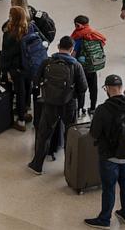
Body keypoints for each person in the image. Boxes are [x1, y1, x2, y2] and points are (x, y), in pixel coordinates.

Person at [84, 74, 125, 228]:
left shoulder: (103, 109)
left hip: (109, 157)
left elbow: (94, 133)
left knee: (109, 188)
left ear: (107, 89)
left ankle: (104, 219)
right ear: (121, 87)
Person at [27, 36, 88, 175]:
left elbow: (36, 80)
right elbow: (83, 87)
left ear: (58, 46)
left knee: (44, 134)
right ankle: (69, 168)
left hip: (49, 103)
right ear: (72, 49)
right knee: (70, 136)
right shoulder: (76, 65)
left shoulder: (47, 62)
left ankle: (37, 165)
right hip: (68, 104)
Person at [2, 5, 36, 132]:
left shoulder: (9, 33)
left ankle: (20, 120)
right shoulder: (29, 28)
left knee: (19, 93)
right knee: (28, 89)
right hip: (29, 65)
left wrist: (5, 71)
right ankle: (26, 112)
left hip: (16, 68)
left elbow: (6, 54)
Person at [71, 15, 107, 116]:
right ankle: (92, 108)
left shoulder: (79, 37)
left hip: (81, 68)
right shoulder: (94, 34)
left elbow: (74, 53)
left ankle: (80, 108)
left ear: (78, 25)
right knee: (93, 87)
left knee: (81, 88)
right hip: (93, 66)